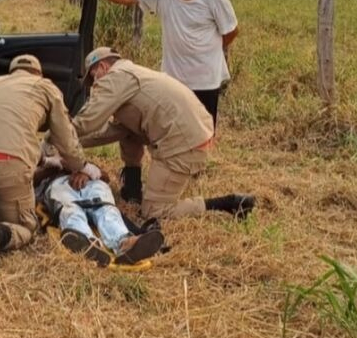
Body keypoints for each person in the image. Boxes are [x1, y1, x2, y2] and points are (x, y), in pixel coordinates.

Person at [72, 47, 255, 221]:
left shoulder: (115, 78)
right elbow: (112, 131)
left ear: (103, 67)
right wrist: (71, 142)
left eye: (94, 78)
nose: (94, 85)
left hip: (183, 145)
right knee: (126, 129)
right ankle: (133, 190)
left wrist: (58, 136)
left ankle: (227, 204)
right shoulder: (132, 73)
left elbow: (89, 120)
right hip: (195, 132)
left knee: (154, 212)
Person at [0, 54, 100, 265]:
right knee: (27, 227)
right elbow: (65, 139)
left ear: (12, 72)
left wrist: (45, 161)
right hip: (6, 166)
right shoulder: (45, 87)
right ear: (38, 73)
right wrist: (81, 166)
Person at [87, 0, 238, 127]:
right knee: (173, 128)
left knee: (203, 130)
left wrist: (207, 51)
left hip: (205, 79)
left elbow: (231, 31)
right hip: (173, 78)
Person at [34, 155, 164, 267]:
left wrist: (86, 171)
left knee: (106, 209)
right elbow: (27, 178)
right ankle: (88, 243)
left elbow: (105, 176)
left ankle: (126, 242)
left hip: (90, 183)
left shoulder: (76, 153)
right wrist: (51, 168)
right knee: (70, 211)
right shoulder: (40, 150)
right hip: (58, 184)